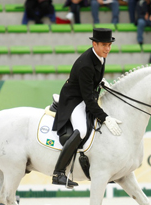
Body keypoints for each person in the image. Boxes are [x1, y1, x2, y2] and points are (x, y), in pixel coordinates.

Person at [51, 28, 122, 188]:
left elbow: (92, 81)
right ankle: (59, 173)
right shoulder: (86, 65)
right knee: (82, 130)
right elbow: (88, 100)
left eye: (109, 45)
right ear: (94, 44)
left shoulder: (100, 56)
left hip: (85, 95)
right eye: (104, 45)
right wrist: (105, 117)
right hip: (74, 100)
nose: (108, 49)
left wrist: (100, 81)